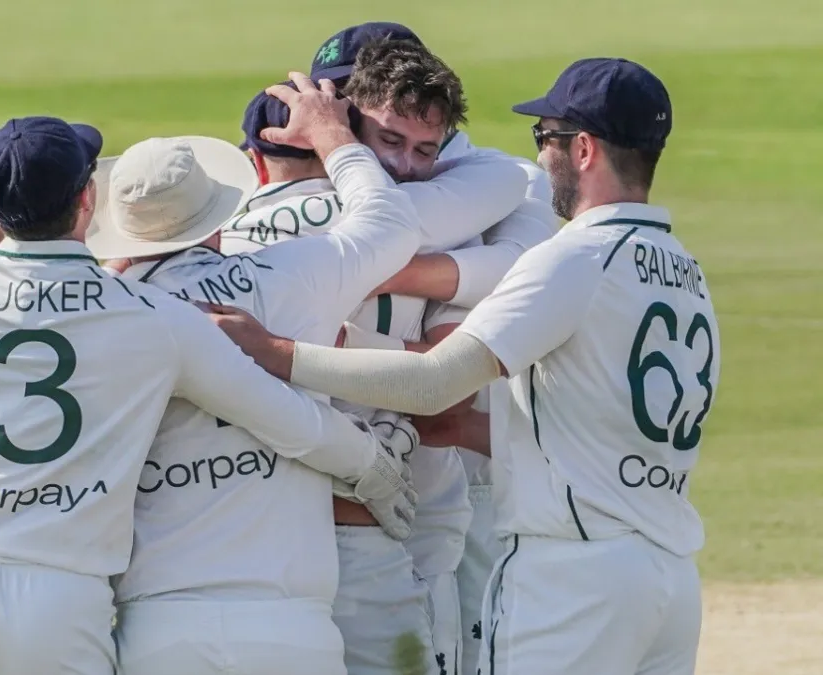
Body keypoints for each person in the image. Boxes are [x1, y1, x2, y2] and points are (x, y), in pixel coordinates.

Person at [0, 115, 414, 675]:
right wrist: (374, 469)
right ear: (86, 200)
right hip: (66, 602)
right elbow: (288, 421)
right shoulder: (155, 316)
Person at [207, 57, 717, 675]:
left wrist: (277, 352)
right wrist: (466, 427)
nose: (540, 158)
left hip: (574, 579)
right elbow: (597, 427)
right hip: (671, 581)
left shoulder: (576, 257)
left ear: (583, 149)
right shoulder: (684, 271)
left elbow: (434, 382)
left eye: (546, 137)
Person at [89, 73, 514, 675]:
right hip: (330, 574)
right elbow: (401, 218)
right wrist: (340, 141)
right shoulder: (295, 270)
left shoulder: (109, 310)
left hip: (161, 608)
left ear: (256, 164)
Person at [220, 76, 519, 675]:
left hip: (248, 537)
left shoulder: (222, 243)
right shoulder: (416, 229)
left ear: (254, 160)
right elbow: (446, 399)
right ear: (344, 139)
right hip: (381, 535)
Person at [309, 23, 560, 674]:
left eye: (420, 141)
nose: (401, 160)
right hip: (308, 513)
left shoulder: (496, 179)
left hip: (446, 501)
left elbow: (515, 271)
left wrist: (377, 269)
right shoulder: (311, 190)